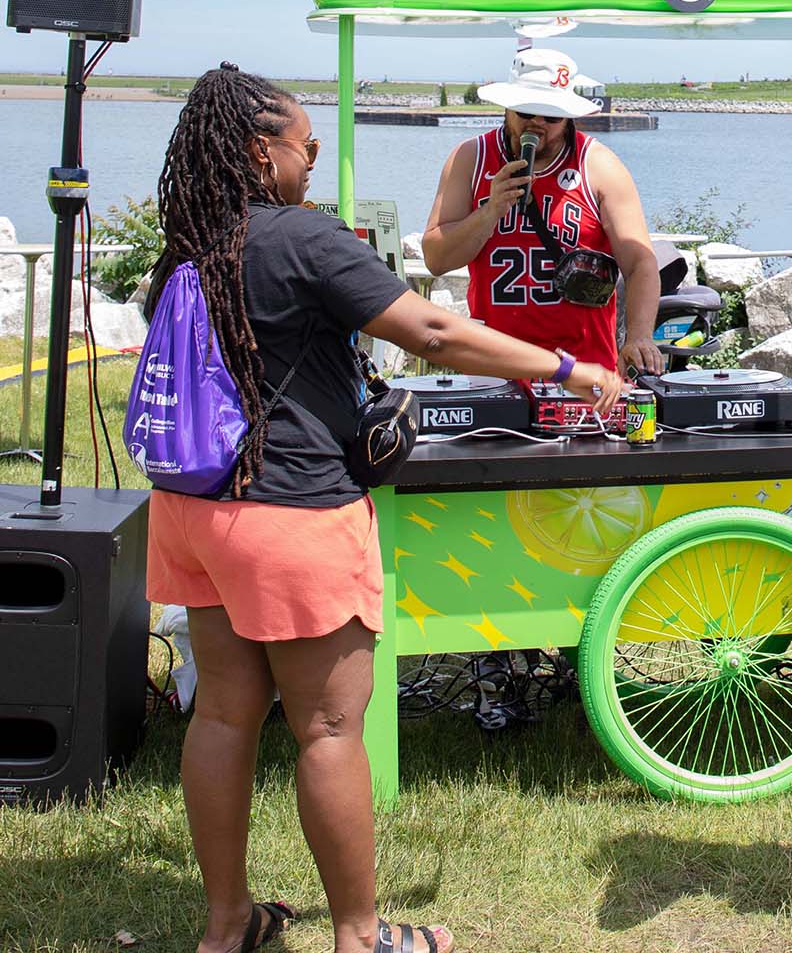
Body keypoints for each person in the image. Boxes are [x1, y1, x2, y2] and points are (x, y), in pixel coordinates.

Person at [144, 63, 625, 953]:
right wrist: (566, 367)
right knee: (328, 727)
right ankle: (361, 938)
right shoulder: (305, 239)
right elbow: (432, 331)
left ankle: (227, 927)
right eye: (305, 146)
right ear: (261, 153)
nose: (313, 160)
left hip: (192, 511)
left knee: (221, 715)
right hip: (291, 514)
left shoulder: (191, 241)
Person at [419, 49, 665, 378]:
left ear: (568, 118)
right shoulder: (471, 159)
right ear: (507, 108)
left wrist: (639, 336)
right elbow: (436, 259)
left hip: (584, 367)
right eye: (526, 113)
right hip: (495, 366)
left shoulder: (597, 165)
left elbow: (640, 262)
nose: (537, 125)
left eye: (551, 117)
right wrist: (490, 212)